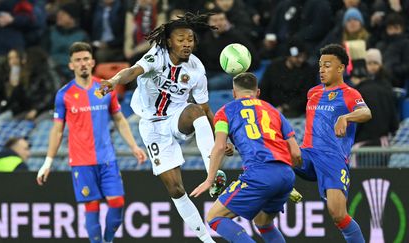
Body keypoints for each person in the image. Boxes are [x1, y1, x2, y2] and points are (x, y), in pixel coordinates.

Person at [98, 13, 234, 243]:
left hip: (176, 116)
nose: (187, 43)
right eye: (181, 39)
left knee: (195, 111)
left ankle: (213, 172)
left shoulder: (196, 69)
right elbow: (131, 71)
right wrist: (112, 82)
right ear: (169, 41)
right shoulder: (156, 56)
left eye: (190, 39)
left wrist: (221, 139)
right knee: (175, 190)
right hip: (152, 126)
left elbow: (206, 109)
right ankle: (206, 240)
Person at [36, 42, 147, 243]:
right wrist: (48, 162)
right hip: (81, 161)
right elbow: (57, 129)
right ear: (71, 65)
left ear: (93, 62)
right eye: (78, 60)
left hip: (106, 158)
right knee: (92, 206)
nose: (82, 63)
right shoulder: (64, 94)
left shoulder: (105, 88)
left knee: (118, 202)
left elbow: (120, 119)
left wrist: (133, 146)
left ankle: (107, 240)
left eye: (86, 59)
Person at [190, 72, 302, 243]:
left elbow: (219, 146)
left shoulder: (224, 112)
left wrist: (209, 179)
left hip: (259, 174)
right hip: (286, 175)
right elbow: (295, 152)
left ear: (234, 93)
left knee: (215, 217)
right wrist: (283, 175)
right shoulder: (273, 111)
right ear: (258, 92)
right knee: (263, 222)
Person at [294, 44, 371, 243]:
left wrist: (345, 117)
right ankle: (281, 186)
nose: (321, 69)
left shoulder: (350, 93)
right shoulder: (312, 92)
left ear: (341, 68)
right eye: (320, 65)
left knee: (337, 214)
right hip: (308, 153)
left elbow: (366, 112)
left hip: (332, 159)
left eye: (327, 65)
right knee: (280, 148)